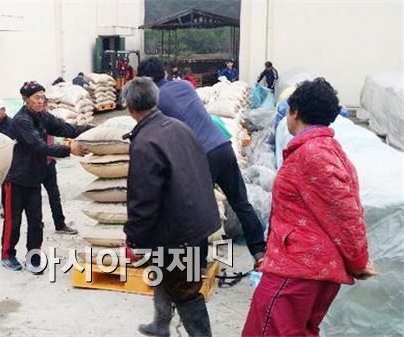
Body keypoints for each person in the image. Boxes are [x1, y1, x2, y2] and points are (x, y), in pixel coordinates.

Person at [137, 57, 266, 335]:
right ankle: (260, 252)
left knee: (187, 218)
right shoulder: (183, 85)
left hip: (200, 156)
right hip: (221, 146)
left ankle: (189, 272)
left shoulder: (155, 102)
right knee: (240, 202)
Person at [242, 78, 376, 337]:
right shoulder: (325, 149)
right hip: (309, 270)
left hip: (298, 272)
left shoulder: (313, 154)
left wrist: (359, 261)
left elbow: (346, 212)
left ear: (295, 112)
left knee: (264, 330)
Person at [122, 77, 220, 337]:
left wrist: (134, 238)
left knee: (185, 290)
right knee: (164, 272)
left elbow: (143, 200)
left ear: (129, 107)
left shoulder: (145, 143)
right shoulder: (179, 126)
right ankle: (161, 323)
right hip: (197, 219)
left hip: (180, 231)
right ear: (155, 100)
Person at [0, 81, 91, 273]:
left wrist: (93, 129)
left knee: (36, 221)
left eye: (43, 97)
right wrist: (69, 149)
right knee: (13, 221)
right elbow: (40, 147)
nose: (41, 101)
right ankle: (7, 255)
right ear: (26, 100)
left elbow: (66, 129)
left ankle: (33, 257)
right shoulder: (21, 121)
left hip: (34, 179)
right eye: (36, 98)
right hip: (16, 180)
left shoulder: (43, 116)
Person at [42, 99, 79, 235]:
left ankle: (59, 224)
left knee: (54, 195)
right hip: (36, 164)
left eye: (45, 105)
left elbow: (64, 130)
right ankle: (37, 223)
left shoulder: (49, 120)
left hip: (49, 163)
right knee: (33, 198)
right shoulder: (30, 122)